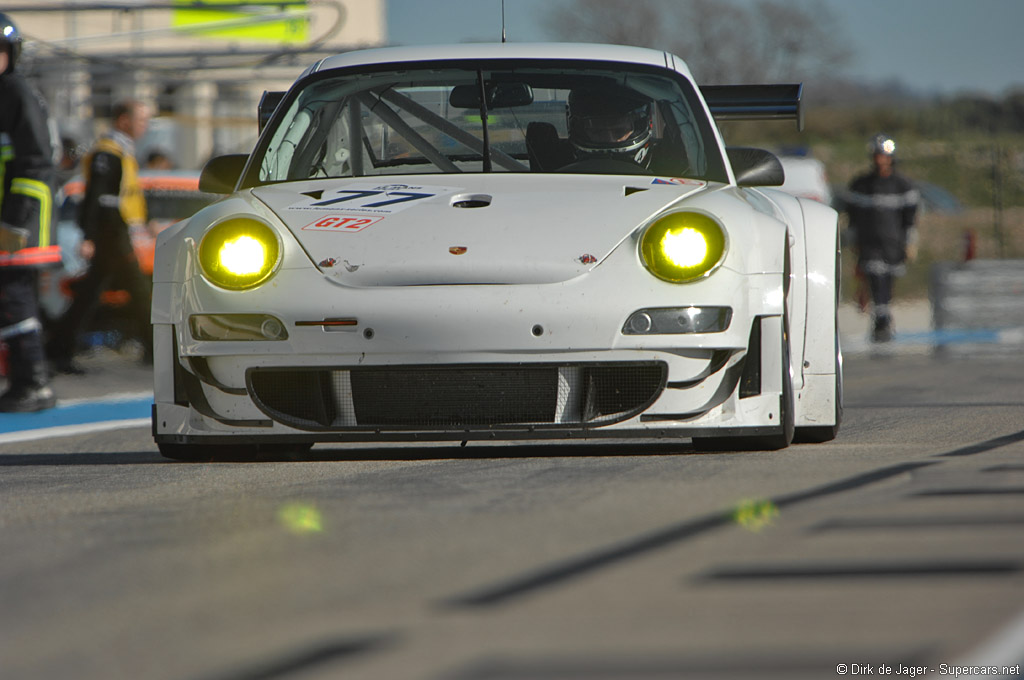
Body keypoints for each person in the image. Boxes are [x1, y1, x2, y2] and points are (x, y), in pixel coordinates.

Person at [47, 98, 153, 374]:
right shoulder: (108, 153)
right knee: (139, 292)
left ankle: (59, 347)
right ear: (123, 120)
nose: (145, 126)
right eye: (140, 119)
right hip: (112, 234)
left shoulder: (121, 151)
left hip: (116, 232)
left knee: (92, 293)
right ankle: (156, 349)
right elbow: (98, 199)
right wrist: (91, 235)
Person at [0, 12, 62, 411]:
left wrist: (15, 221)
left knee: (14, 297)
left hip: (20, 223)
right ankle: (25, 379)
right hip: (11, 219)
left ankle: (34, 381)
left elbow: (36, 161)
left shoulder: (14, 92)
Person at [844, 133, 919, 343]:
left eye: (884, 156)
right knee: (875, 280)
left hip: (893, 244)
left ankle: (884, 318)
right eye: (877, 156)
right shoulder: (860, 185)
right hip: (869, 244)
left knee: (887, 281)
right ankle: (881, 320)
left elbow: (910, 219)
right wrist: (853, 242)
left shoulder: (903, 186)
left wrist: (910, 242)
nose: (880, 161)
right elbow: (852, 218)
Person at [566, 86, 655, 169]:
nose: (610, 140)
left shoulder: (665, 168)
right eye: (598, 131)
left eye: (620, 131)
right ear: (580, 130)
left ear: (641, 125)